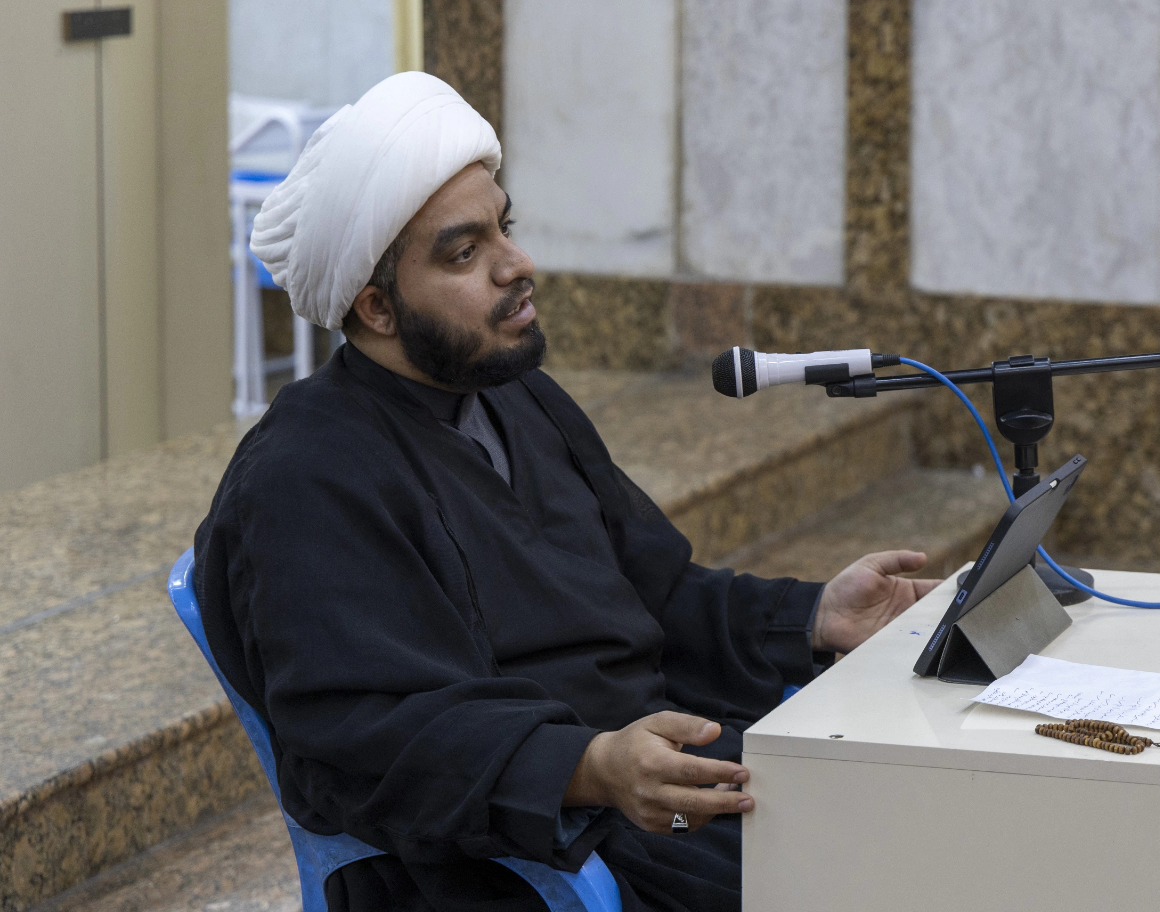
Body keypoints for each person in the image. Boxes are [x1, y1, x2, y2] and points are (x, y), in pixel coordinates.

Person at [194, 72, 940, 912]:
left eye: (505, 228)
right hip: (505, 859)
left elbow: (657, 595)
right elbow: (368, 736)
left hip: (653, 793)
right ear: (377, 308)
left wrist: (814, 617)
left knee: (942, 826)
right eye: (464, 253)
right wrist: (587, 767)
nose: (517, 265)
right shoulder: (303, 478)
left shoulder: (519, 398)